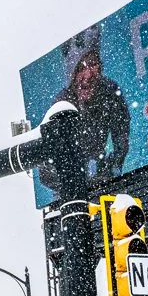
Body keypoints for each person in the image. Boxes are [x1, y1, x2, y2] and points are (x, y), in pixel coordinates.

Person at [50, 25, 131, 195]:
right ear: (71, 75)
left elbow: (121, 135)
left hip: (104, 183)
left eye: (92, 64)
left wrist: (113, 167)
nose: (88, 75)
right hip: (71, 196)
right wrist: (75, 184)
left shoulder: (110, 90)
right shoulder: (60, 107)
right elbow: (45, 169)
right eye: (80, 68)